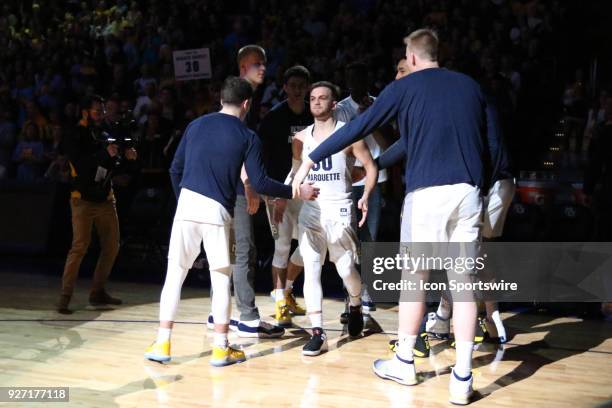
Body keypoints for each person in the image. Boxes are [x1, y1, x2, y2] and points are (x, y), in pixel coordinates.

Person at [293, 29, 500, 405]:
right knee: (464, 281)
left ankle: (405, 361)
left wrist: (310, 158)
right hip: (469, 192)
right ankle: (463, 377)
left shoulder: (406, 87)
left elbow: (357, 127)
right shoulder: (470, 87)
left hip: (427, 194)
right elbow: (491, 142)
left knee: (415, 278)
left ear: (414, 58)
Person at [144, 77, 319, 366]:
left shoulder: (195, 125)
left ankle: (163, 343)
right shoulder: (247, 136)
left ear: (221, 99)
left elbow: (175, 170)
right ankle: (221, 347)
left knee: (174, 275)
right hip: (216, 211)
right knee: (221, 278)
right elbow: (260, 181)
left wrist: (184, 201)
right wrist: (295, 191)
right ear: (247, 104)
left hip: (186, 206)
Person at [207, 44, 286, 338]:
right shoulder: (241, 100)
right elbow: (237, 146)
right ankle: (248, 318)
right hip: (237, 187)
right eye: (256, 64)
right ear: (243, 68)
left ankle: (218, 312)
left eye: (264, 63)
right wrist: (250, 185)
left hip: (221, 185)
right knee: (244, 249)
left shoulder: (245, 97)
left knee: (228, 251)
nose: (263, 68)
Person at [292, 81, 377, 356]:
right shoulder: (301, 138)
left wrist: (364, 195)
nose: (316, 102)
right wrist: (284, 194)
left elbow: (370, 167)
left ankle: (355, 303)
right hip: (312, 210)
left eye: (322, 98)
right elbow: (296, 173)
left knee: (345, 270)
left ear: (334, 103)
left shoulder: (350, 135)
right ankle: (318, 332)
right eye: (313, 98)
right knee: (312, 267)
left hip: (340, 208)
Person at [57, 95, 138, 314]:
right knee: (79, 247)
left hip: (105, 198)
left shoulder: (102, 133)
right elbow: (82, 165)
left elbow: (111, 163)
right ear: (84, 111)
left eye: (102, 110)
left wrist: (124, 156)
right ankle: (65, 297)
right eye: (97, 110)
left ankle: (97, 291)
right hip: (82, 199)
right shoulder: (74, 134)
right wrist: (105, 153)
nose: (101, 114)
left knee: (112, 246)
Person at [258, 65, 313, 327]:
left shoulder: (315, 116)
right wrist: (277, 193)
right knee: (281, 247)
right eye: (293, 86)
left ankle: (287, 290)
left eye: (302, 86)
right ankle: (280, 300)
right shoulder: (273, 119)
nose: (297, 90)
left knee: (310, 244)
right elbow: (266, 161)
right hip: (280, 190)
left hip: (307, 189)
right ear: (285, 88)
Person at [335, 62, 388, 316]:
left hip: (373, 179)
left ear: (367, 80)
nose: (356, 83)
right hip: (347, 180)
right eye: (351, 78)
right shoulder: (341, 108)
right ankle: (352, 293)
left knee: (371, 239)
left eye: (360, 77)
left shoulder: (380, 103)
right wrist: (363, 119)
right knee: (348, 239)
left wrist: (374, 118)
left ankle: (366, 291)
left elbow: (388, 142)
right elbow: (344, 140)